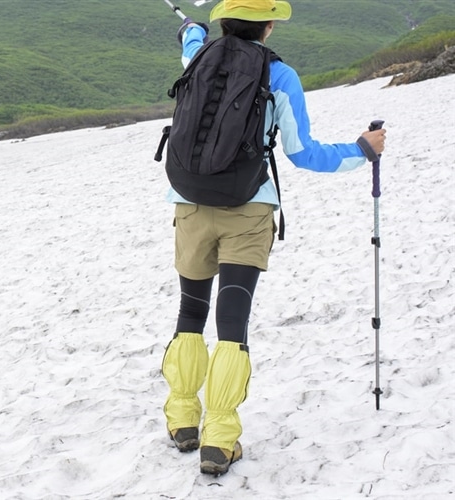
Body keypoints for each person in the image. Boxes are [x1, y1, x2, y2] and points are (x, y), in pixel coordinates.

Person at [161, 0, 386, 476]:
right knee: (232, 324)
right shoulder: (279, 75)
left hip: (189, 204)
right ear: (268, 26)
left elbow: (190, 41)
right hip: (248, 210)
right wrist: (362, 150)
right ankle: (219, 438)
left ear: (223, 19)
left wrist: (190, 29)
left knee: (190, 313)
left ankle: (182, 418)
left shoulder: (198, 56)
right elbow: (303, 153)